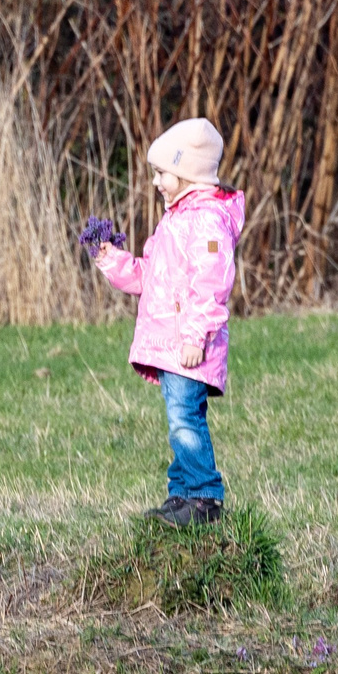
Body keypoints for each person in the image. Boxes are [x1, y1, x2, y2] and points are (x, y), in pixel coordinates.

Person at [82, 118, 246, 528]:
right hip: (172, 346)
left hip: (190, 346)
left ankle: (205, 496)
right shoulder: (175, 219)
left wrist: (196, 336)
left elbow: (212, 285)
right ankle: (182, 494)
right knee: (179, 420)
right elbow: (147, 277)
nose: (155, 181)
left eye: (161, 173)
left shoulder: (206, 221)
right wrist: (111, 258)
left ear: (187, 172)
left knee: (186, 419)